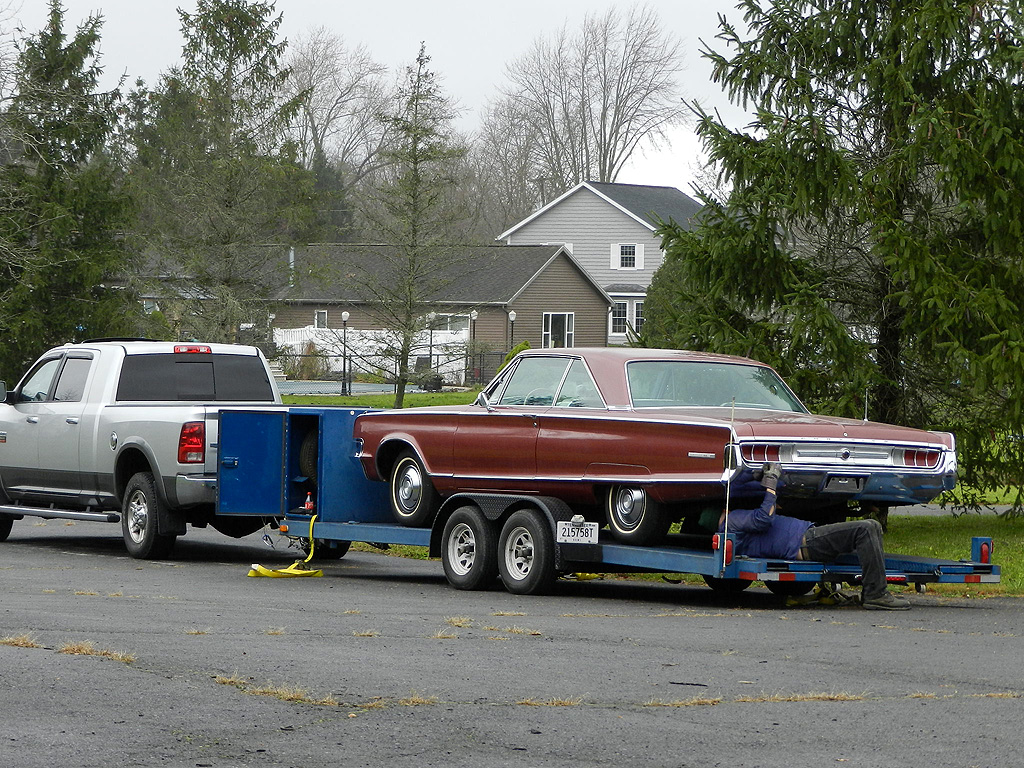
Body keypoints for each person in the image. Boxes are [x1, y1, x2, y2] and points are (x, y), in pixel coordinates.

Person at [703, 463, 910, 611]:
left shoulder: (733, 527)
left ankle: (874, 591)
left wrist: (756, 477)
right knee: (868, 528)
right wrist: (771, 485)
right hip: (807, 543)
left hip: (807, 541)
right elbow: (763, 518)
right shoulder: (732, 521)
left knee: (866, 531)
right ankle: (876, 594)